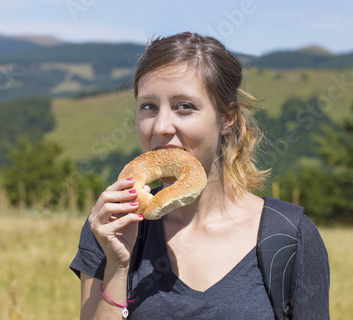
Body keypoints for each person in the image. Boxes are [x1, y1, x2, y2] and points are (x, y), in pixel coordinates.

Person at [70, 32, 330, 319]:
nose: (161, 127)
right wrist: (118, 267)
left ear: (227, 118)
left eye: (185, 107)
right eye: (148, 107)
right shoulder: (111, 224)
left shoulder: (288, 236)